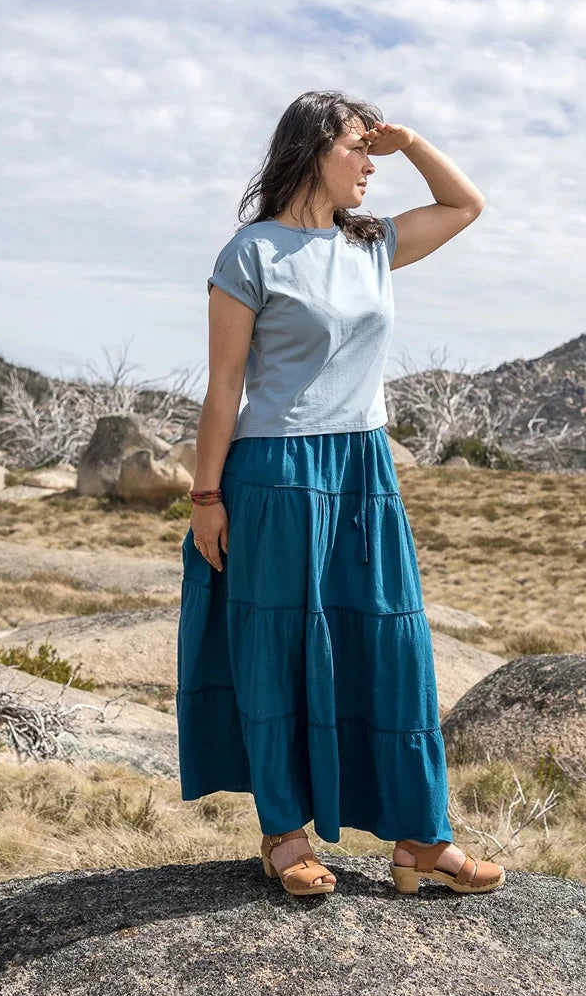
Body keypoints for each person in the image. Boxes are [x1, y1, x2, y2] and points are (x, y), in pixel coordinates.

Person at [176, 89, 504, 898]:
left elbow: (465, 205)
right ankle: (283, 833)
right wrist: (205, 497)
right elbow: (224, 388)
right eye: (356, 147)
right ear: (312, 150)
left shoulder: (372, 244)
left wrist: (411, 139)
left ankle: (421, 837)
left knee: (392, 647)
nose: (369, 163)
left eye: (371, 149)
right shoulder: (250, 254)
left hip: (363, 470)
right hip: (277, 475)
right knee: (278, 650)